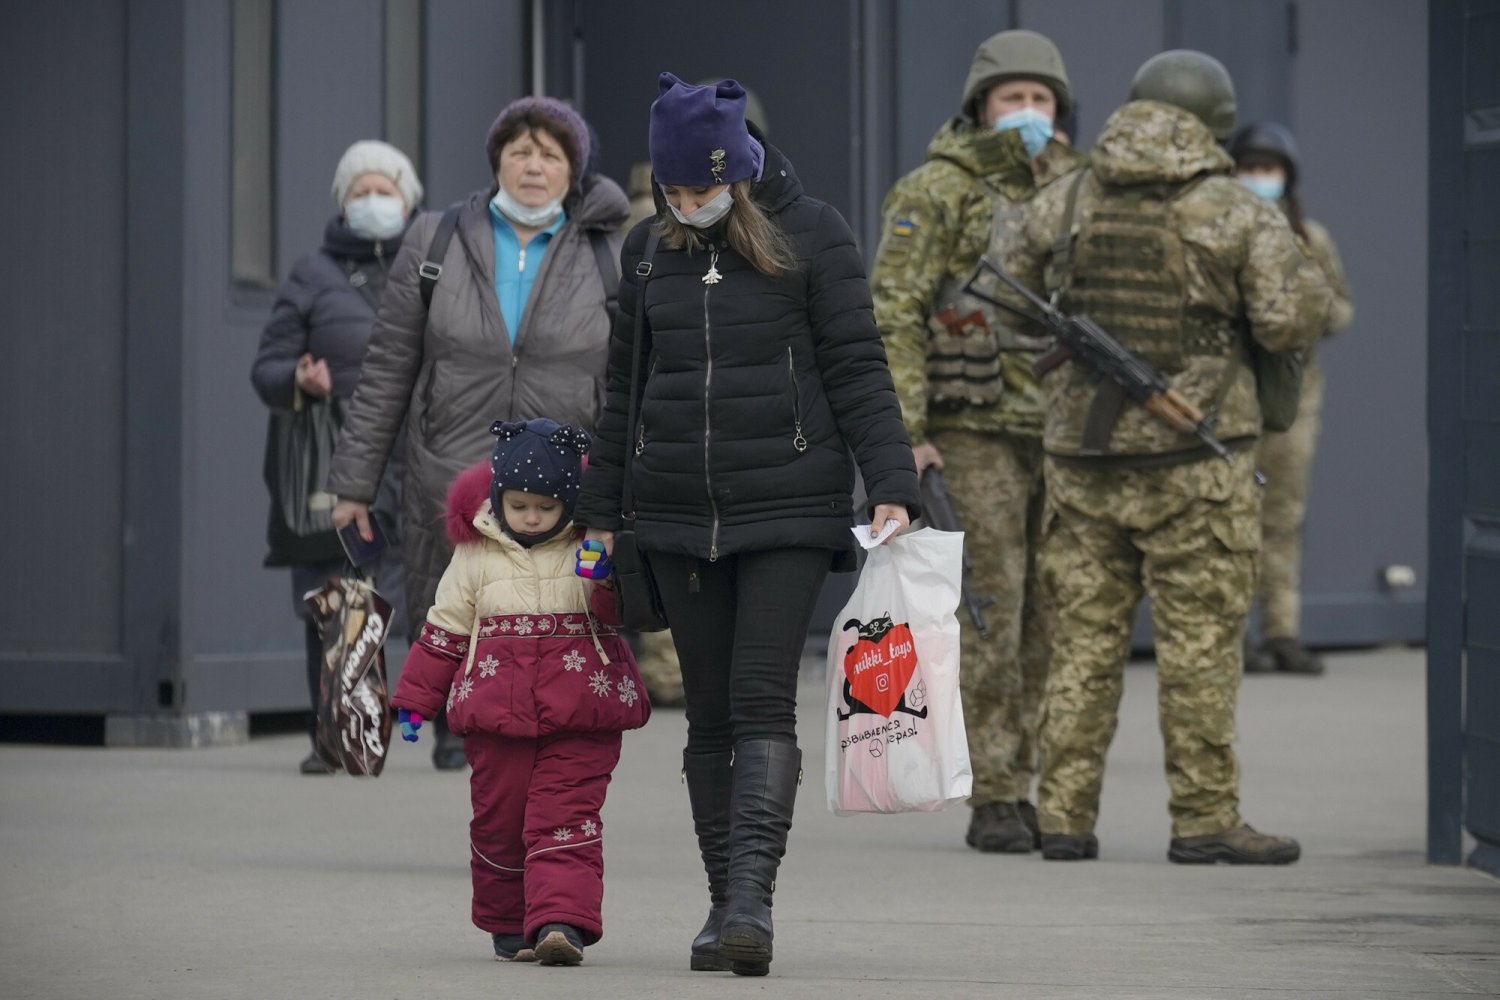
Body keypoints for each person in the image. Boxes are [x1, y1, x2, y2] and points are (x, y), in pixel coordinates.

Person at [574, 74, 920, 975]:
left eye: (702, 190)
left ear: (741, 168)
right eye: (674, 193)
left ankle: (751, 903)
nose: (688, 207)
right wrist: (601, 517)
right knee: (710, 718)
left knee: (763, 699)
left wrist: (890, 480)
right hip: (679, 513)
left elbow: (857, 366)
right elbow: (625, 395)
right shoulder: (651, 251)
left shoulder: (814, 234)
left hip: (789, 508)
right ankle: (721, 897)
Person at [993, 50, 1332, 864]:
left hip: (1083, 460)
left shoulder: (1065, 194)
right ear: (1214, 121)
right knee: (1201, 649)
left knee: (1080, 642)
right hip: (1198, 466)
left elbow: (1008, 301)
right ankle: (1205, 819)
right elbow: (1292, 322)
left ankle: (1065, 818)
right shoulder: (1235, 209)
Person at [326, 97, 629, 770]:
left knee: (551, 625)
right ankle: (463, 732)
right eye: (519, 151)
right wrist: (353, 485)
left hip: (563, 483)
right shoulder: (434, 240)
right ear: (496, 160)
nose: (533, 165)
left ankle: (533, 762)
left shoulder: (609, 251)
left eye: (550, 154)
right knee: (457, 605)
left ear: (572, 171)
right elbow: (386, 369)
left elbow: (630, 378)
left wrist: (619, 489)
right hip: (449, 470)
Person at [871, 29, 1087, 854]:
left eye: (1042, 100)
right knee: (994, 609)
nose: (1028, 114)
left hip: (1069, 433)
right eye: (1012, 99)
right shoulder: (938, 190)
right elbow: (895, 311)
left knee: (1058, 611)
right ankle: (996, 789)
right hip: (976, 429)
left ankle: (1042, 782)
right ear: (980, 107)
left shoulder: (1083, 189)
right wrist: (910, 434)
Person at [390, 419, 648, 966]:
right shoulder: (475, 555)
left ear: (569, 504)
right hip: (496, 714)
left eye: (546, 507)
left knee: (566, 814)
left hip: (582, 711)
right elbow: (446, 628)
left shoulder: (591, 544)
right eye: (520, 505)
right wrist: (416, 699)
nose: (532, 517)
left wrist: (606, 578)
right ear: (498, 498)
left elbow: (624, 613)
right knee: (499, 819)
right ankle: (510, 922)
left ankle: (561, 922)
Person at [251, 139, 421, 775]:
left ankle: (460, 731)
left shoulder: (432, 266)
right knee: (339, 592)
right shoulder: (312, 274)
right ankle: (340, 734)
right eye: (361, 191)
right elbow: (267, 364)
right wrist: (297, 376)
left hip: (421, 452)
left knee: (437, 591)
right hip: (342, 454)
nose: (374, 201)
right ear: (342, 202)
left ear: (408, 200)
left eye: (386, 190)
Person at [1229, 123, 1355, 676]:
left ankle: (1282, 631)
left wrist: (1312, 311)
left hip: (1295, 403)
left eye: (1270, 168)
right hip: (1231, 399)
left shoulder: (1312, 238)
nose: (1260, 178)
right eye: (1250, 167)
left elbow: (1343, 310)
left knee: (1283, 518)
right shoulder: (1221, 232)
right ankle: (1234, 638)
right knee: (1231, 518)